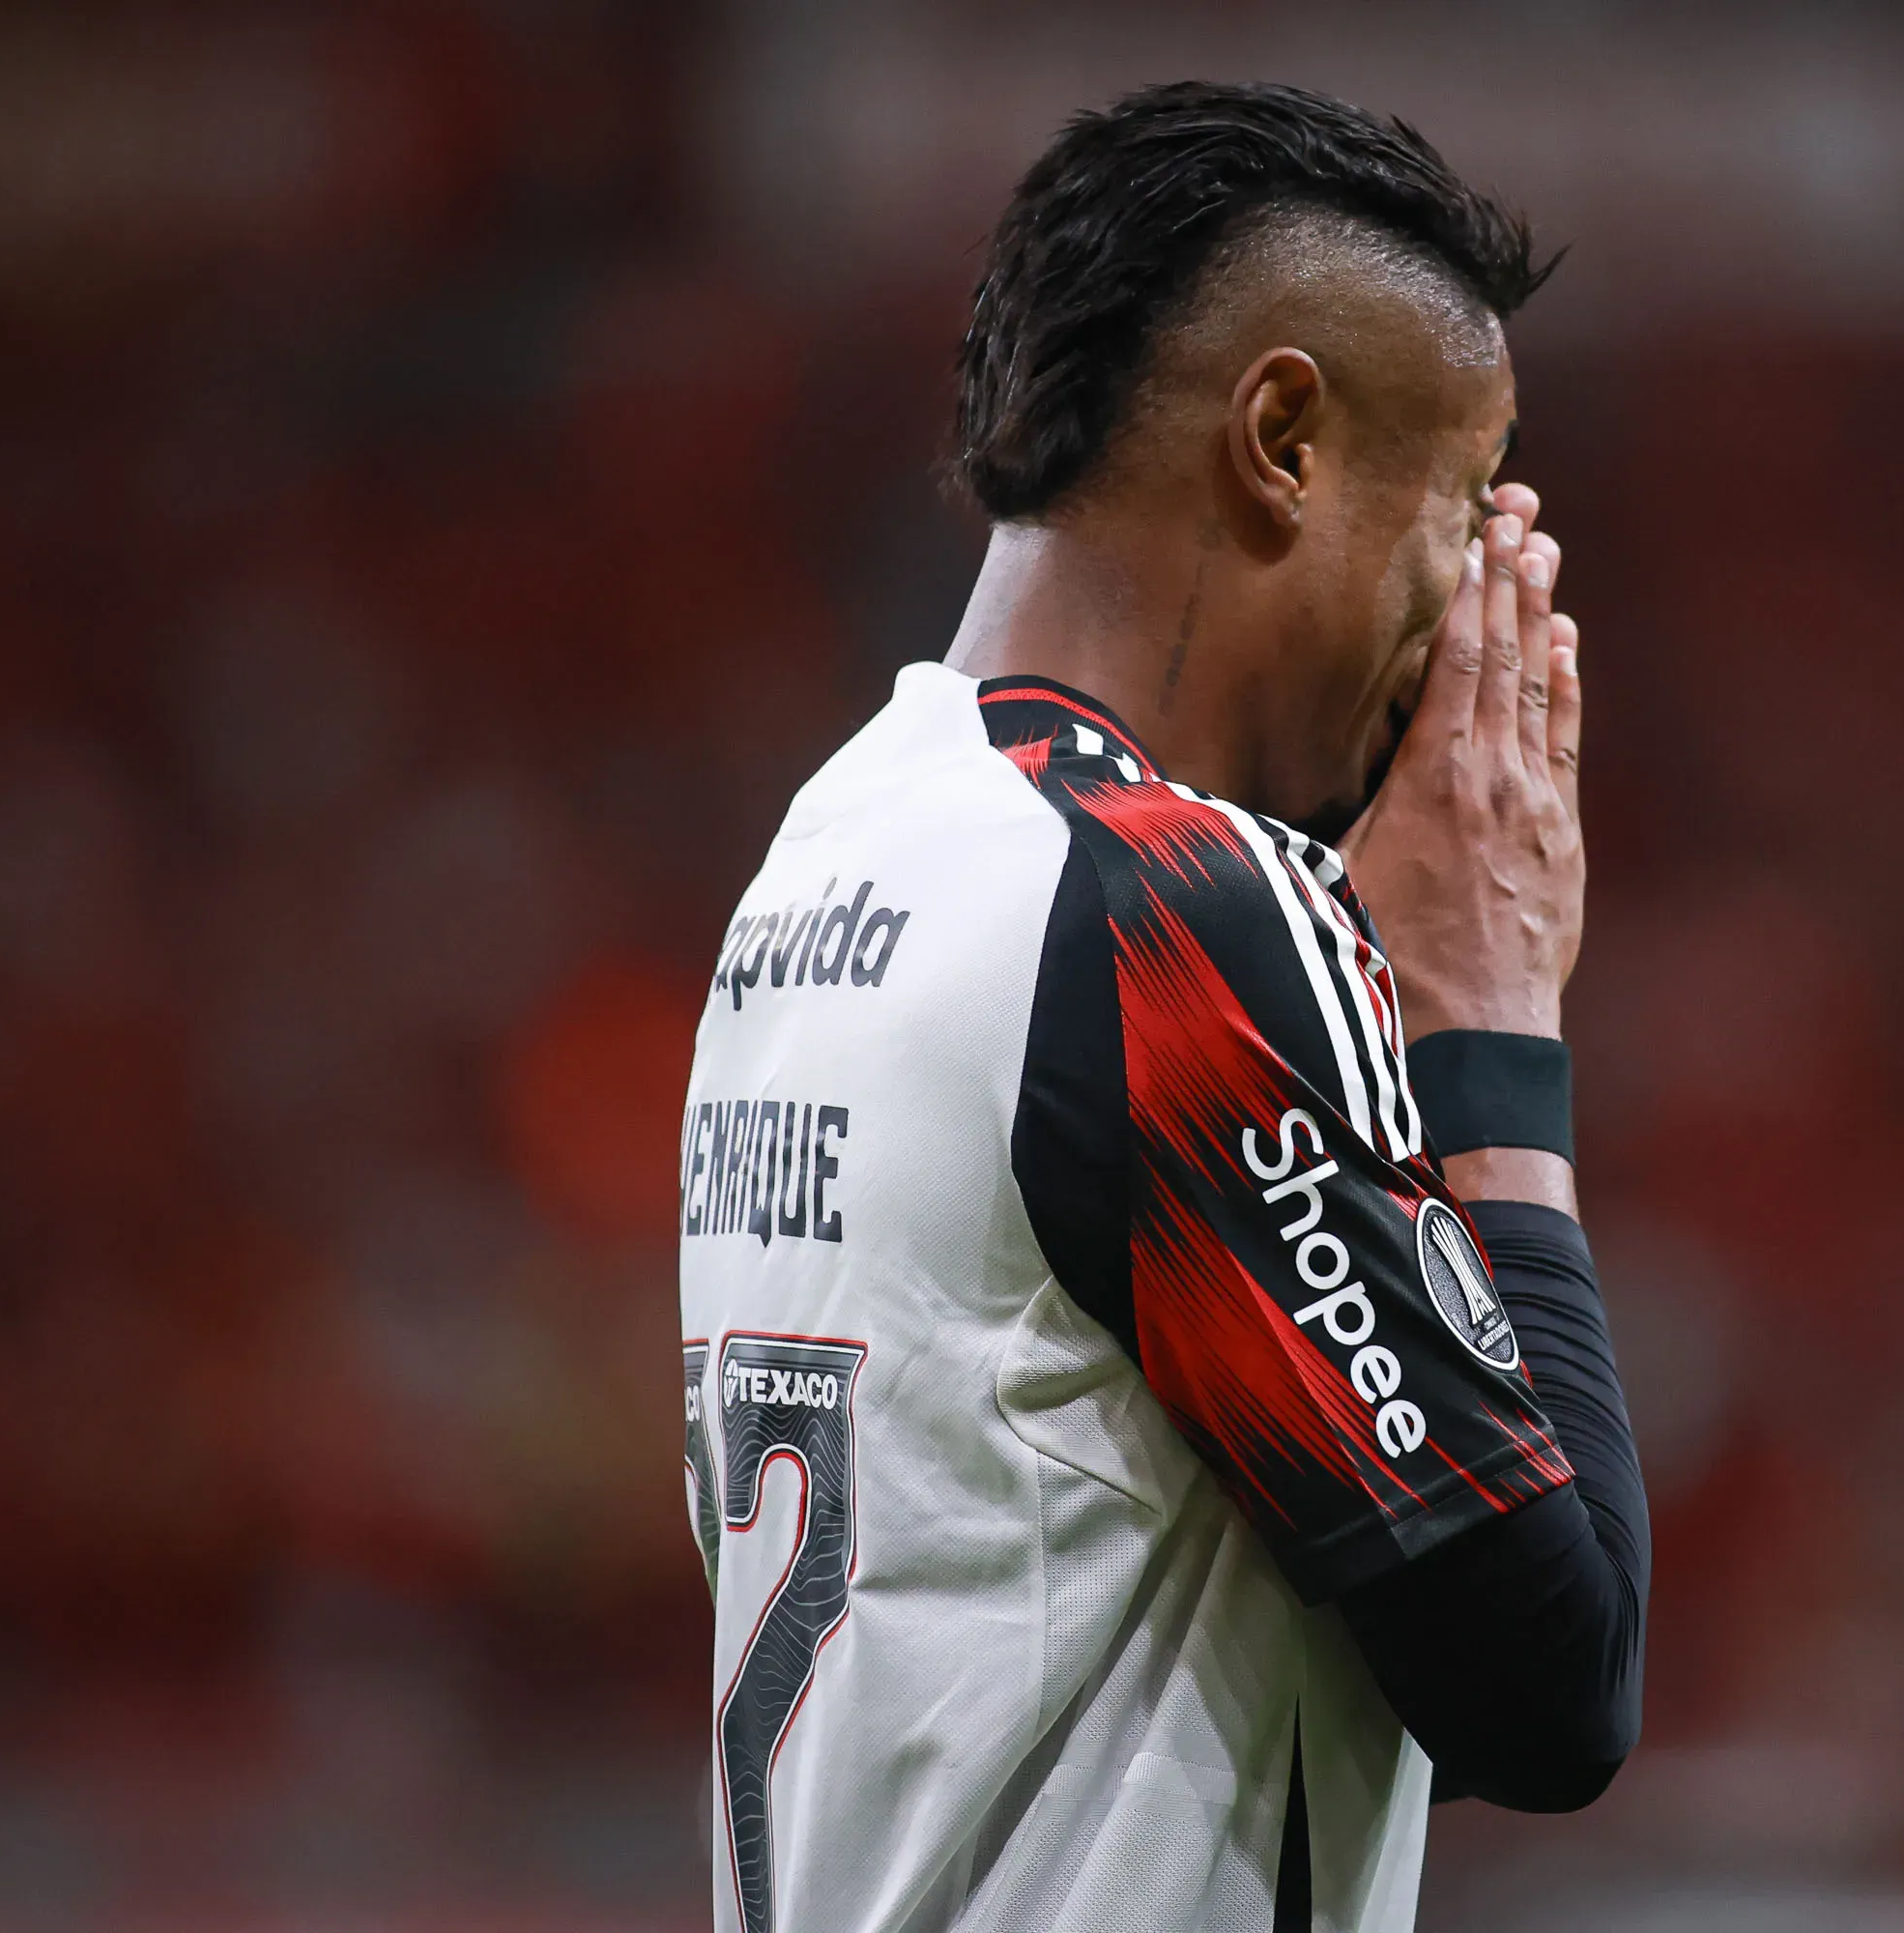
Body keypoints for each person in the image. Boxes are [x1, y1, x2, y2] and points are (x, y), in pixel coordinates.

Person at [678, 81, 1647, 1933]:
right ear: (1280, 438)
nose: (1463, 609)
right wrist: (1491, 1028)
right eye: (1458, 503)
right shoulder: (1170, 902)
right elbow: (1552, 1680)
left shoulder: (816, 867)